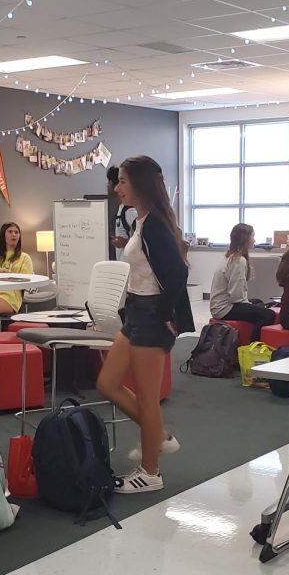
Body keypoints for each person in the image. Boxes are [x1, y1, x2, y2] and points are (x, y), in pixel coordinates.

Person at [96, 155, 193, 493]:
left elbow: (179, 273)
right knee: (107, 382)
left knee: (148, 399)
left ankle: (150, 472)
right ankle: (160, 436)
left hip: (152, 314)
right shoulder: (142, 221)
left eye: (122, 181)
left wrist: (166, 314)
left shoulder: (154, 225)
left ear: (139, 184)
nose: (117, 187)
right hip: (136, 311)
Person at [209, 222, 275, 340]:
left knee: (259, 302)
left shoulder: (229, 256)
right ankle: (253, 346)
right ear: (245, 240)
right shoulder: (239, 261)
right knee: (268, 315)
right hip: (225, 308)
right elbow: (236, 297)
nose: (254, 240)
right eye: (252, 237)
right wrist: (249, 305)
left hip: (221, 305)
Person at [107, 164, 137, 260]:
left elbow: (143, 240)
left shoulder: (129, 211)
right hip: (122, 265)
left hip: (130, 267)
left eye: (108, 182)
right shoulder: (120, 208)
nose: (107, 185)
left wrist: (124, 242)